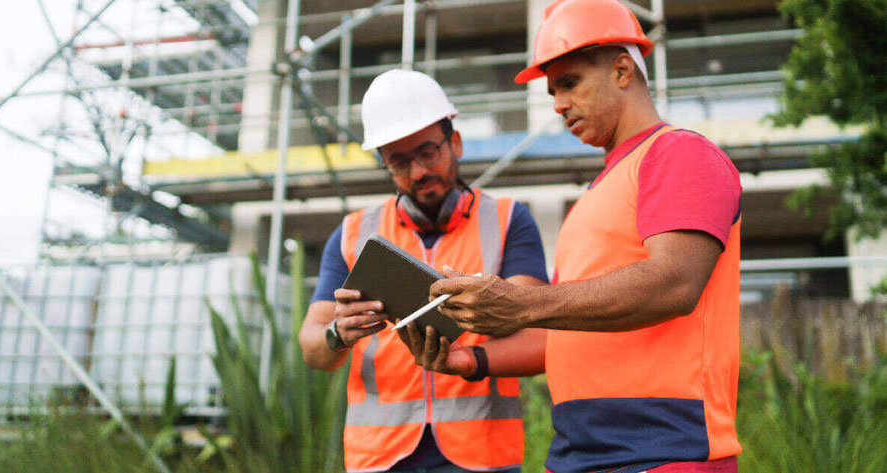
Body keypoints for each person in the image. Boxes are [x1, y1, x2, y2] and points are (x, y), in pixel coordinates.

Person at [397, 1, 743, 472]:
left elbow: (674, 283)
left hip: (664, 451)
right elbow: (562, 332)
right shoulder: (599, 192)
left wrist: (521, 305)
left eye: (570, 82)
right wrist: (470, 360)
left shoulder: (679, 154)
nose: (557, 104)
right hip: (579, 452)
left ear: (623, 69)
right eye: (552, 90)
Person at [298, 68, 548, 473]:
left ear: (456, 143)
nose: (417, 173)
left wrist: (481, 328)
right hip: (379, 455)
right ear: (384, 163)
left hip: (481, 453)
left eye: (428, 153)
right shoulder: (352, 234)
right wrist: (336, 334)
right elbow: (311, 347)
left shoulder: (507, 221)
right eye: (398, 161)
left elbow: (538, 337)